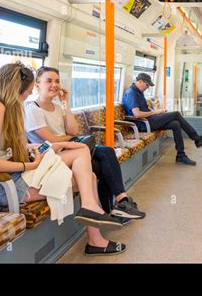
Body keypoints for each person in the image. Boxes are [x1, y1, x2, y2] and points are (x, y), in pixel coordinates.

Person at [0, 63, 126, 256]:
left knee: (84, 161)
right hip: (1, 185)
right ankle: (94, 229)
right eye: (28, 92)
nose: (27, 96)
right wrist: (30, 164)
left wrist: (51, 147)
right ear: (16, 89)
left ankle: (93, 228)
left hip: (13, 175)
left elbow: (6, 149)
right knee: (85, 165)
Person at [24, 66, 145, 221]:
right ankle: (117, 206)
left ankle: (117, 206)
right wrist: (68, 138)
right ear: (37, 85)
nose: (54, 85)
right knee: (104, 163)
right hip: (53, 158)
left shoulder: (57, 107)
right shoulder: (32, 109)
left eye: (57, 81)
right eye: (49, 81)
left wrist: (65, 103)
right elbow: (51, 140)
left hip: (70, 151)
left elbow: (74, 131)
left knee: (106, 156)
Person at [122, 73, 202, 166]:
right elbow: (137, 114)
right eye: (147, 85)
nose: (147, 88)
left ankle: (181, 156)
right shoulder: (131, 93)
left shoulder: (139, 92)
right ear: (140, 82)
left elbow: (144, 109)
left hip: (149, 120)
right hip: (143, 124)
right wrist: (155, 112)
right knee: (176, 114)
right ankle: (197, 139)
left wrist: (157, 112)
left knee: (175, 124)